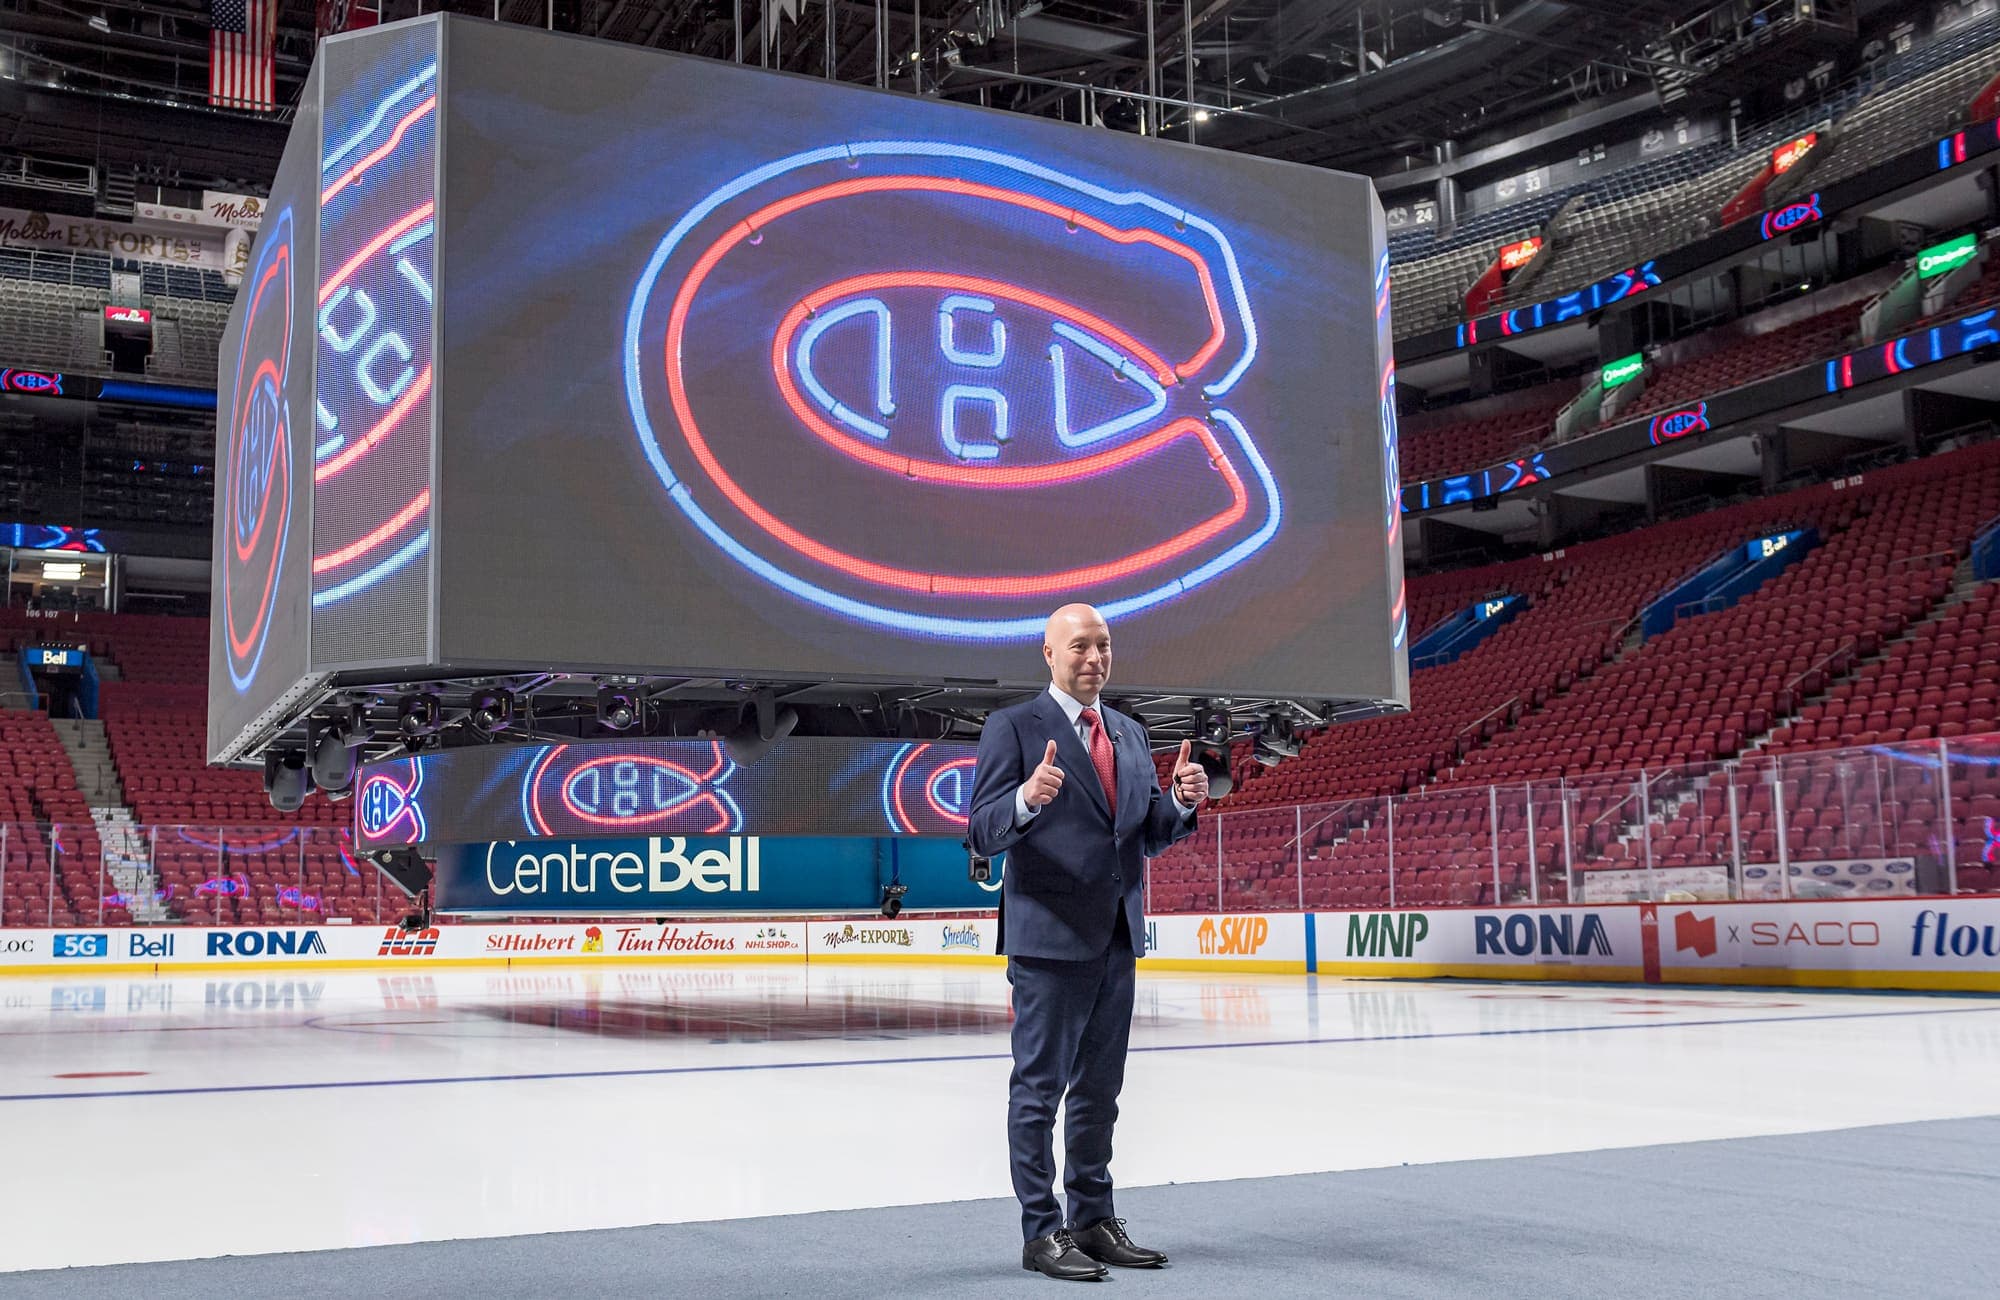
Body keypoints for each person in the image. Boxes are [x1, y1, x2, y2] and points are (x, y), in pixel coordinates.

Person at [967, 603, 1209, 1281]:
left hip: (1116, 938)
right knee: (1039, 1093)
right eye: (1079, 646)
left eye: (1103, 645)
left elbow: (1144, 832)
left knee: (1101, 1091)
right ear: (1048, 653)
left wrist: (1182, 802)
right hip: (1048, 943)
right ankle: (1041, 1234)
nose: (1094, 657)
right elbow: (982, 832)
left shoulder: (1130, 732)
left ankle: (1093, 1221)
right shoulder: (1013, 727)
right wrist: (1025, 799)